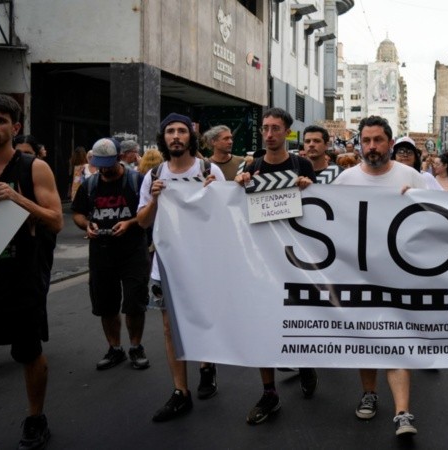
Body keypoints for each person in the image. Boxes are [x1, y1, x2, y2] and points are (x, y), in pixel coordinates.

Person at [333, 116, 427, 437]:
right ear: (360, 143)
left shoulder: (413, 176)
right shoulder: (344, 179)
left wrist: (418, 202)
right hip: (358, 275)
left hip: (401, 275)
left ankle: (403, 411)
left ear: (389, 142)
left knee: (397, 339)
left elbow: (438, 216)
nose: (372, 147)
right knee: (367, 338)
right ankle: (369, 392)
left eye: (378, 140)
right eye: (366, 140)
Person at [137, 113, 226, 422]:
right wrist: (155, 200)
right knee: (169, 326)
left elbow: (224, 218)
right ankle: (180, 392)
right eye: (170, 131)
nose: (176, 136)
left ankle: (206, 365)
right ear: (164, 138)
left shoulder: (209, 169)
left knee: (201, 318)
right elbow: (143, 222)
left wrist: (215, 193)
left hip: (202, 263)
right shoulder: (154, 175)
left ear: (191, 137)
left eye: (182, 131)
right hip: (166, 265)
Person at [0, 93, 63, 450]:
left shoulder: (33, 167)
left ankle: (36, 418)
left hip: (20, 274)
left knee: (28, 352)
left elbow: (56, 220)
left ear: (15, 127)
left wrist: (16, 197)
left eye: (0, 120)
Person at [233, 107, 318, 425]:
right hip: (260, 260)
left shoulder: (301, 164)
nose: (269, 134)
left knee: (298, 317)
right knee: (261, 325)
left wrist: (309, 186)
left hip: (296, 259)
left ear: (287, 132)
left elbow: (321, 209)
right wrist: (240, 183)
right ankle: (269, 392)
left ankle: (305, 361)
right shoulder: (251, 167)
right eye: (265, 129)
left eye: (275, 129)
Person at [71, 138, 150, 371]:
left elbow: (148, 213)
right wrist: (86, 225)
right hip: (101, 253)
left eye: (108, 163)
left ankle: (136, 347)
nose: (104, 169)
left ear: (119, 158)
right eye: (99, 164)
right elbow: (77, 212)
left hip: (133, 251)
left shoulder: (137, 181)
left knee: (135, 303)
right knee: (106, 304)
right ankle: (115, 348)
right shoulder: (90, 185)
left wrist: (130, 223)